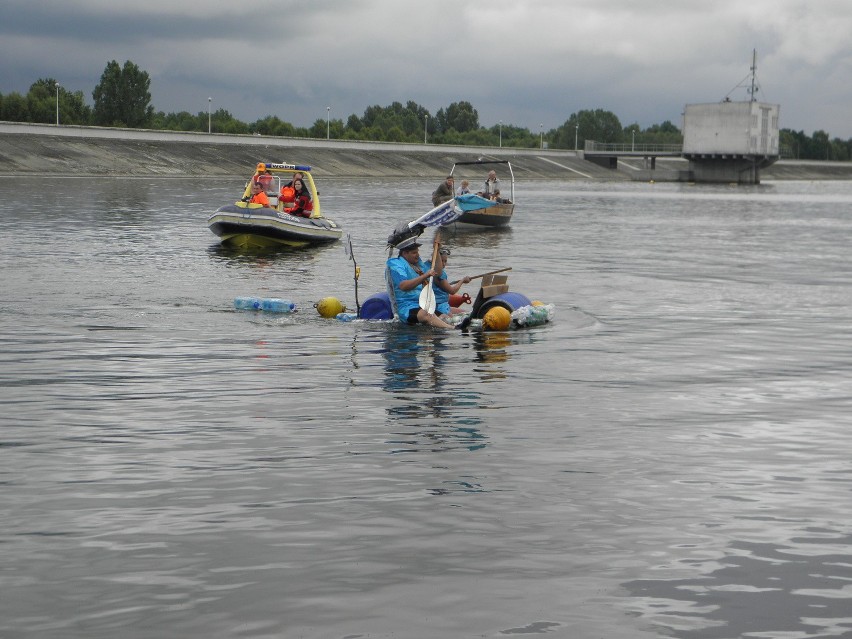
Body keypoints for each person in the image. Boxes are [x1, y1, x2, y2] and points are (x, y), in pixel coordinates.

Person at [386, 237, 466, 329]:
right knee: (427, 315)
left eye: (417, 252)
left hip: (422, 305)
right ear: (404, 253)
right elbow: (403, 286)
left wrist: (437, 250)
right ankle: (454, 329)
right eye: (414, 253)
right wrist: (425, 276)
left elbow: (438, 272)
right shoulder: (396, 264)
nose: (417, 255)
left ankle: (457, 325)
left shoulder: (417, 263)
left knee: (444, 317)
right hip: (406, 307)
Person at [426, 247, 471, 318]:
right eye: (441, 261)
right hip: (439, 307)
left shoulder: (424, 266)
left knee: (467, 313)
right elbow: (452, 291)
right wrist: (462, 281)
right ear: (436, 260)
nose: (443, 264)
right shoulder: (439, 274)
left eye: (445, 261)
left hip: (436, 305)